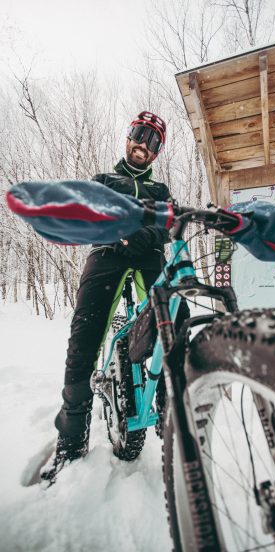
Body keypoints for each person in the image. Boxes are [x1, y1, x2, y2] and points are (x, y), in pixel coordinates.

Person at [41, 111, 185, 485]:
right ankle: (71, 444)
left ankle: (174, 424)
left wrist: (146, 236)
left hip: (149, 257)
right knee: (83, 340)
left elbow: (166, 223)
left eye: (153, 141)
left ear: (158, 152)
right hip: (107, 253)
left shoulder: (160, 190)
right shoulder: (104, 181)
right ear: (128, 137)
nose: (144, 144)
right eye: (140, 134)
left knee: (175, 327)